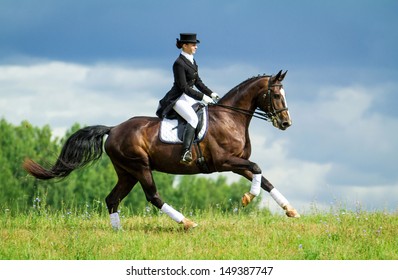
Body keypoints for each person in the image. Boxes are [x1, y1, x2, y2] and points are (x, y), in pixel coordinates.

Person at [156, 33, 219, 164]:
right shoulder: (179, 63)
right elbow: (184, 87)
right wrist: (202, 97)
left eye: (196, 45)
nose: (196, 47)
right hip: (177, 98)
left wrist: (211, 94)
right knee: (193, 118)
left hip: (189, 97)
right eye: (193, 45)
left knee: (205, 113)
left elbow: (198, 82)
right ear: (185, 45)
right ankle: (186, 152)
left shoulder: (192, 60)